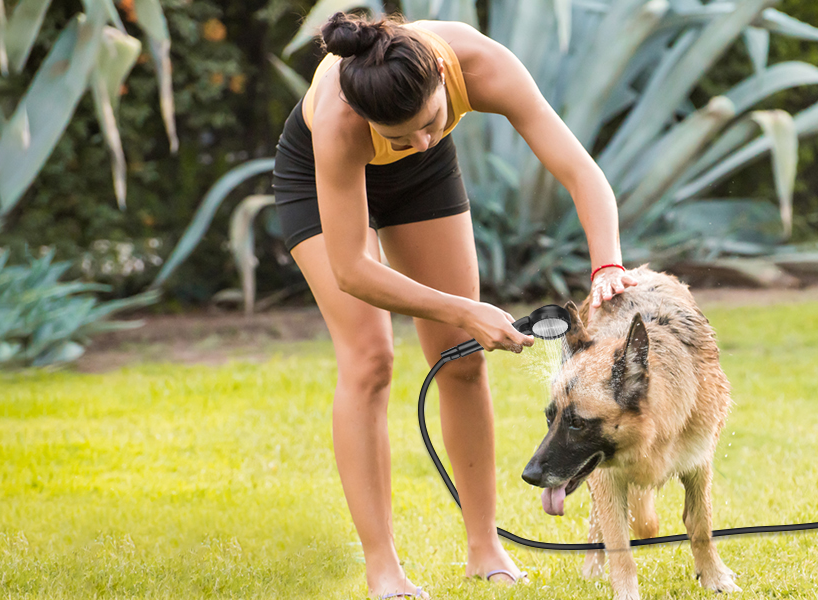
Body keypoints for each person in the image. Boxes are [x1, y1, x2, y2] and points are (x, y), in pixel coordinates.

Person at [271, 10, 638, 599]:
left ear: (442, 74)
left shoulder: (478, 63)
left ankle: (484, 548)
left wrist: (608, 265)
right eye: (401, 136)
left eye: (432, 122)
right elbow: (354, 271)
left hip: (423, 182)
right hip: (319, 182)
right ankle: (383, 568)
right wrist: (468, 310)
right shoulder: (341, 121)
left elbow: (579, 170)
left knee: (461, 361)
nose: (420, 140)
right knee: (369, 361)